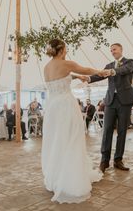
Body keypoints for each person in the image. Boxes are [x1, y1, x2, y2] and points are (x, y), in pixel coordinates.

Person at [42, 39, 103, 203]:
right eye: (66, 48)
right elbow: (88, 69)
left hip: (52, 107)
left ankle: (57, 176)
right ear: (61, 49)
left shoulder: (47, 67)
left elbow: (61, 78)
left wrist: (77, 77)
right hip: (66, 106)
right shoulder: (67, 64)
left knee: (57, 140)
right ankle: (71, 180)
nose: (67, 51)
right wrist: (102, 72)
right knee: (72, 138)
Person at [81, 43, 133, 173]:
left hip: (125, 101)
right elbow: (100, 75)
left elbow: (125, 70)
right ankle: (104, 161)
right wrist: (88, 78)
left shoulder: (129, 62)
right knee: (106, 130)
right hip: (110, 101)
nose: (113, 52)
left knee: (122, 131)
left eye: (115, 49)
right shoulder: (108, 65)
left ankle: (118, 160)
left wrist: (112, 72)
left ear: (121, 49)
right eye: (111, 50)